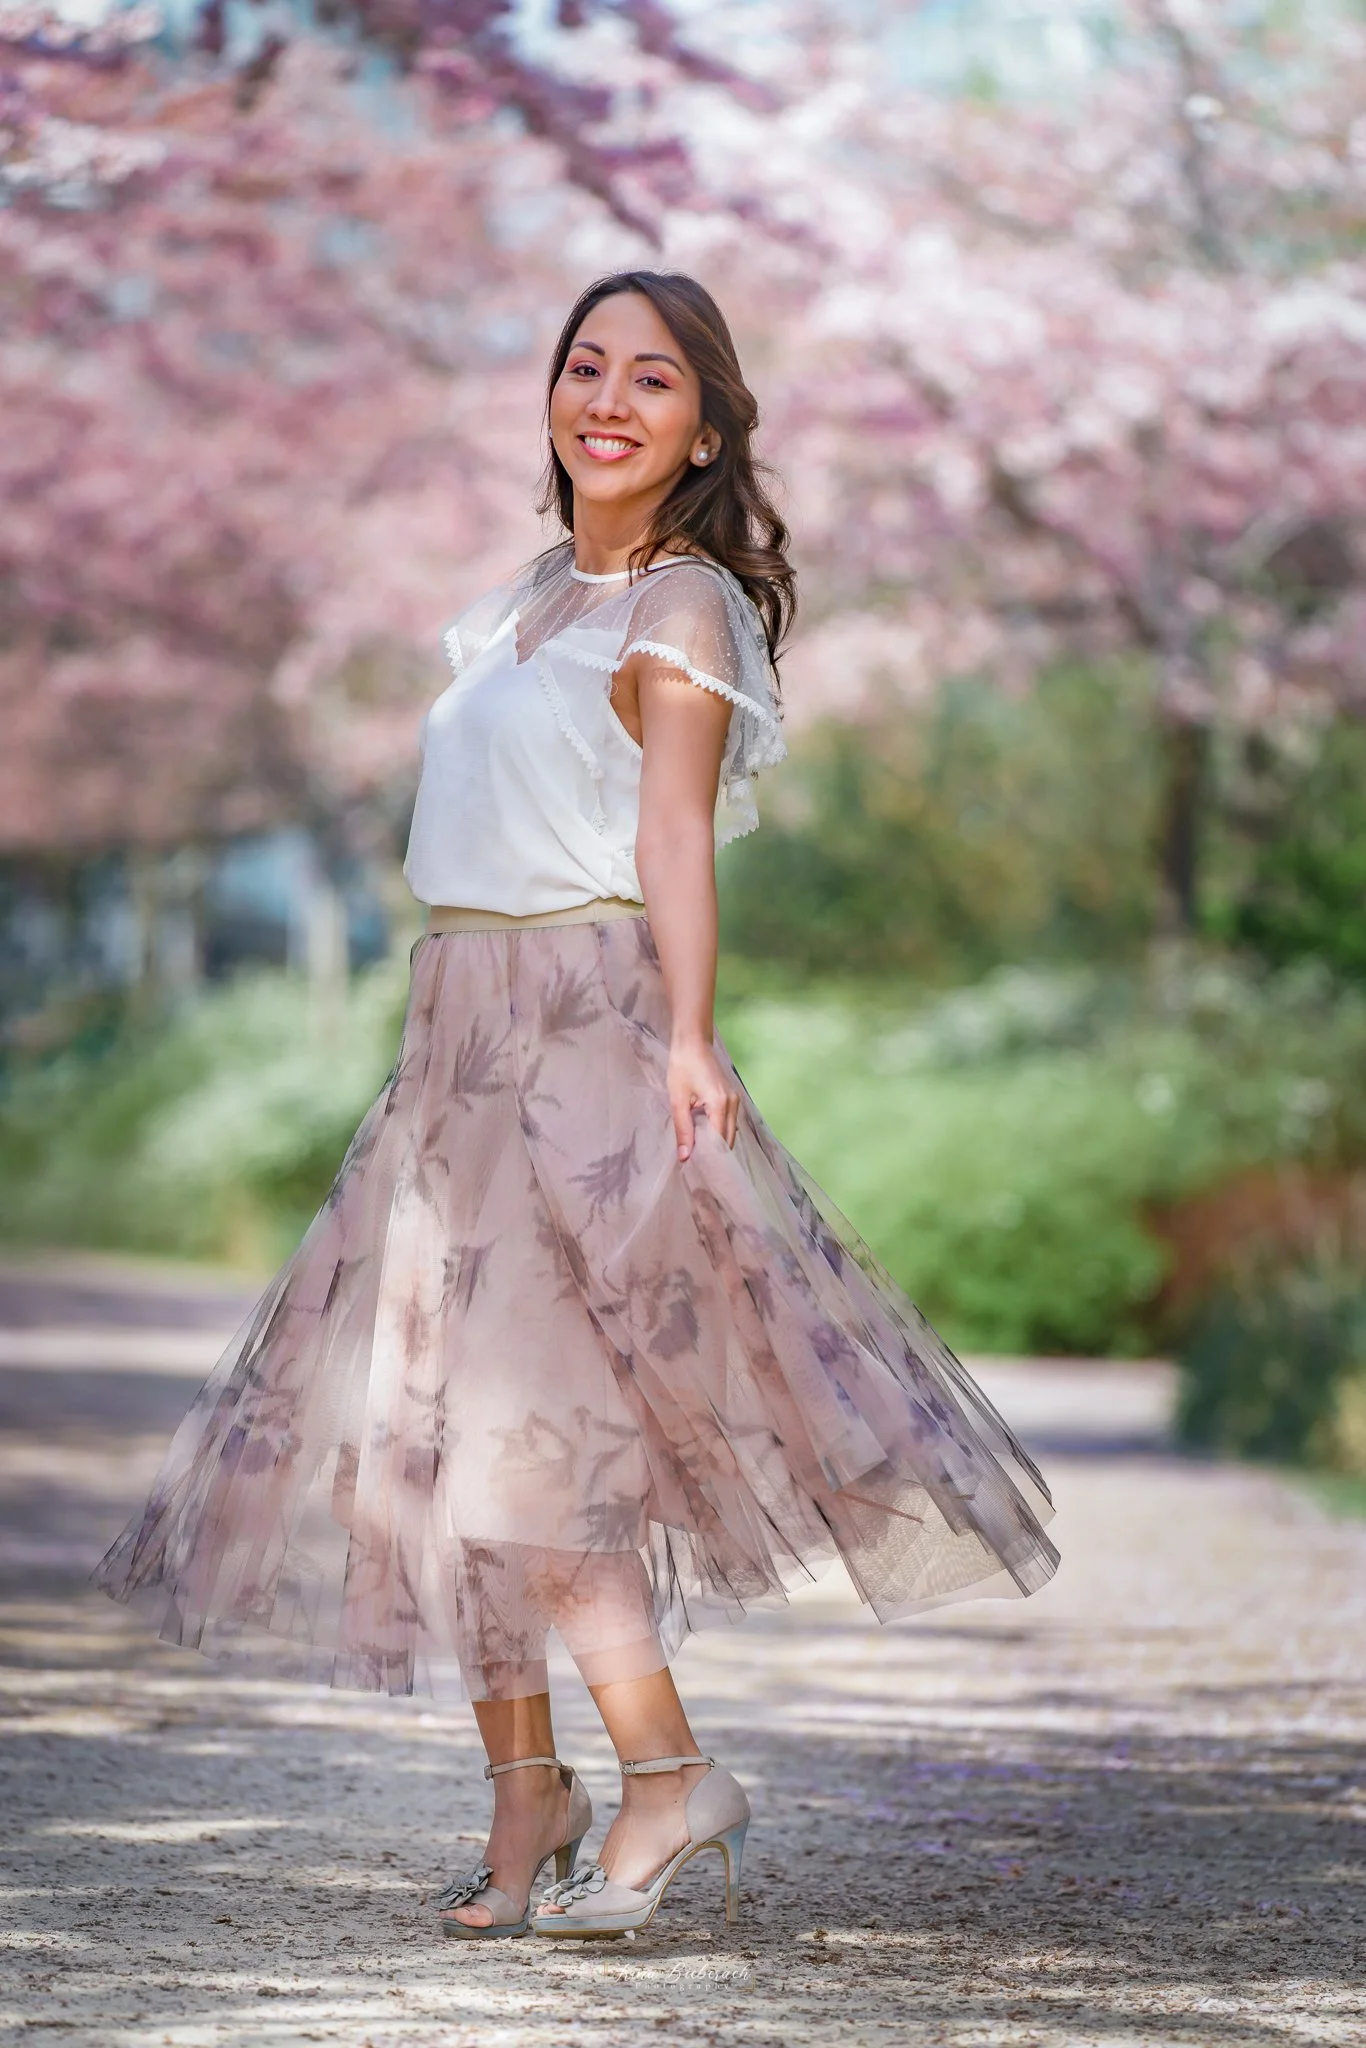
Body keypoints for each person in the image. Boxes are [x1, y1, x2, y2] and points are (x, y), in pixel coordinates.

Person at [95, 270, 1059, 1942]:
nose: (608, 399)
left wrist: (690, 1036)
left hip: (583, 1029)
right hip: (453, 1032)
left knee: (539, 1440)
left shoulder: (680, 612)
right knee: (432, 1437)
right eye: (585, 367)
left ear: (702, 427)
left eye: (654, 380)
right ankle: (525, 1797)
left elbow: (670, 839)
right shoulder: (524, 599)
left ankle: (669, 1776)